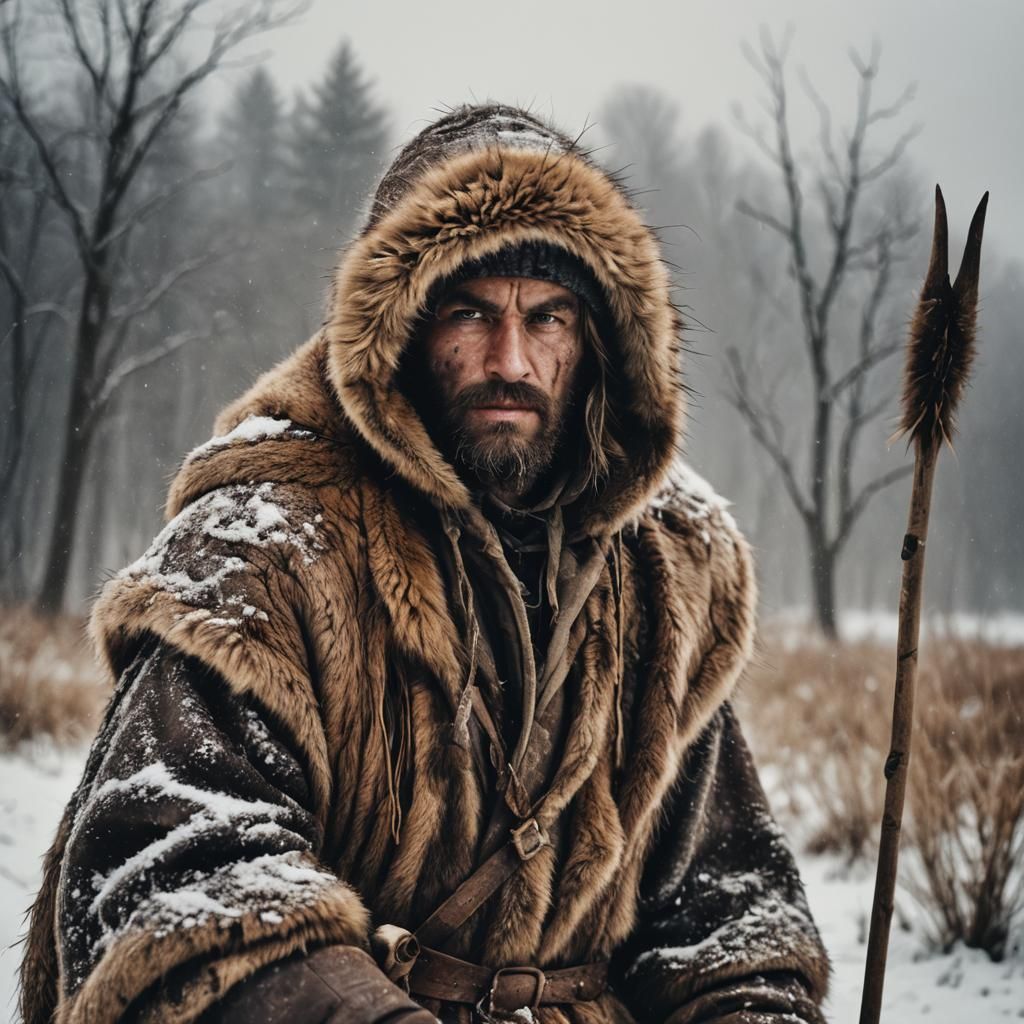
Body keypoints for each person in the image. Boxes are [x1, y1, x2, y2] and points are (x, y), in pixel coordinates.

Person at [20, 104, 829, 1024]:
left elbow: (729, 920)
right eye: (470, 313)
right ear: (401, 328)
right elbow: (179, 872)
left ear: (596, 339)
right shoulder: (264, 545)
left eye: (548, 316)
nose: (511, 360)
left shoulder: (664, 573)